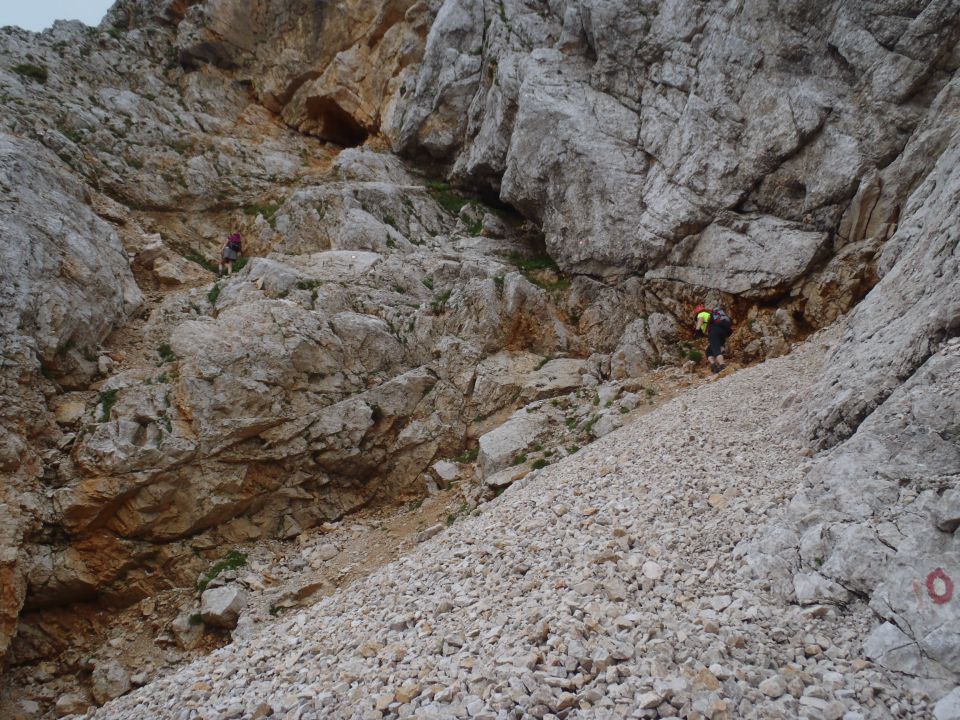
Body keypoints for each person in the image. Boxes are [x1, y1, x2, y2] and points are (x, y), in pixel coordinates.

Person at [694, 304, 732, 374]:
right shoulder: (711, 315)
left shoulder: (701, 314)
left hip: (715, 331)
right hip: (723, 332)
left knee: (715, 348)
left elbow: (700, 319)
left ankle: (722, 365)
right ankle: (714, 366)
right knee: (709, 351)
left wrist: (697, 330)